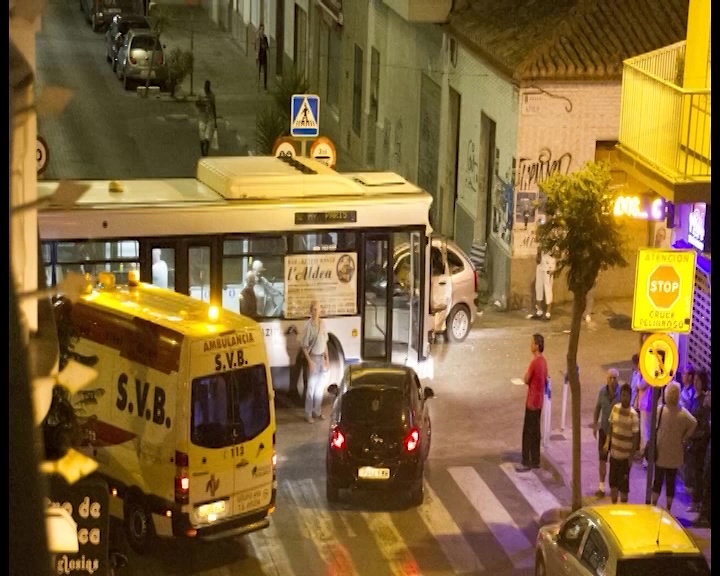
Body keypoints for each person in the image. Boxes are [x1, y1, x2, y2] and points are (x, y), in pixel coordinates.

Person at [652, 382, 697, 514]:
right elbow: (694, 423)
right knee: (671, 482)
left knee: (658, 481)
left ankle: (653, 505)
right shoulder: (682, 413)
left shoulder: (661, 410)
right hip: (675, 453)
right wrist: (684, 437)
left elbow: (654, 425)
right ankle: (668, 509)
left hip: (660, 451)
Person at [517, 333, 547, 472]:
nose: (530, 345)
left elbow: (526, 379)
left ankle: (526, 460)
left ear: (536, 345)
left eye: (532, 343)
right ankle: (536, 459)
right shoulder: (544, 362)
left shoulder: (534, 362)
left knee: (528, 432)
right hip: (539, 401)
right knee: (536, 431)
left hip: (532, 401)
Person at [607, 383, 640, 504]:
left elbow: (636, 437)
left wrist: (631, 458)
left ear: (630, 396)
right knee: (613, 484)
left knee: (624, 487)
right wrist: (608, 443)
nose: (624, 397)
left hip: (625, 458)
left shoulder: (633, 415)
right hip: (614, 455)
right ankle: (614, 505)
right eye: (622, 395)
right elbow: (611, 425)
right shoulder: (615, 408)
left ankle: (623, 508)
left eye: (626, 395)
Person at [592, 369, 620, 497]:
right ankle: (601, 487)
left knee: (615, 461)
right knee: (602, 459)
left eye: (615, 378)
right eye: (610, 378)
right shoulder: (602, 391)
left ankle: (615, 486)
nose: (612, 381)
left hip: (616, 433)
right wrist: (595, 424)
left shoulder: (621, 394)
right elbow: (597, 408)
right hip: (604, 430)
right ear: (606, 379)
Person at [301, 300, 329, 423]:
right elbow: (304, 346)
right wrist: (310, 361)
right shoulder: (308, 326)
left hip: (322, 359)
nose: (316, 312)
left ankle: (317, 411)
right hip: (313, 358)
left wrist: (327, 359)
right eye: (314, 309)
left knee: (320, 388)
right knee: (311, 388)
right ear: (311, 311)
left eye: (318, 309)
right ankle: (308, 414)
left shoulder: (323, 324)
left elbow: (325, 343)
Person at [687, 369, 710, 513]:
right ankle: (695, 498)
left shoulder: (704, 401)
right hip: (692, 439)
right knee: (693, 470)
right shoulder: (693, 398)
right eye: (694, 380)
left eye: (698, 381)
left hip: (700, 441)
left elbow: (703, 423)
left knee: (698, 471)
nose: (695, 383)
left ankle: (697, 501)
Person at [632, 353, 652, 468]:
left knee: (645, 433)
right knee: (644, 432)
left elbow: (640, 385)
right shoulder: (644, 373)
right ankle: (644, 456)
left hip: (646, 405)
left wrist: (640, 373)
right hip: (643, 405)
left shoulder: (646, 374)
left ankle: (646, 459)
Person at [196, 79, 217, 157]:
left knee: (208, 136)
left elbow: (214, 106)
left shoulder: (212, 95)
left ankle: (206, 153)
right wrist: (204, 104)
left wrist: (215, 119)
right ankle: (202, 151)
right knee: (202, 137)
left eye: (208, 87)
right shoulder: (201, 93)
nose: (207, 88)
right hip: (202, 116)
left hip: (209, 117)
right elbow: (197, 103)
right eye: (206, 86)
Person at [532, 250, 556, 320]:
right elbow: (538, 259)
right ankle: (539, 310)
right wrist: (538, 254)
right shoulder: (541, 243)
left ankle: (548, 312)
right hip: (540, 266)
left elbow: (556, 254)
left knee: (548, 288)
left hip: (549, 266)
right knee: (538, 287)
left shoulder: (553, 241)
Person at [255, 23, 269, 92]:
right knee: (258, 72)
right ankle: (258, 86)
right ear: (259, 30)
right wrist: (256, 57)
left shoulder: (265, 38)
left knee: (265, 72)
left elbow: (267, 47)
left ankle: (265, 86)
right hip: (259, 57)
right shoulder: (258, 38)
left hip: (264, 57)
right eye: (261, 29)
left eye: (263, 30)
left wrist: (265, 47)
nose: (262, 31)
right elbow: (256, 48)